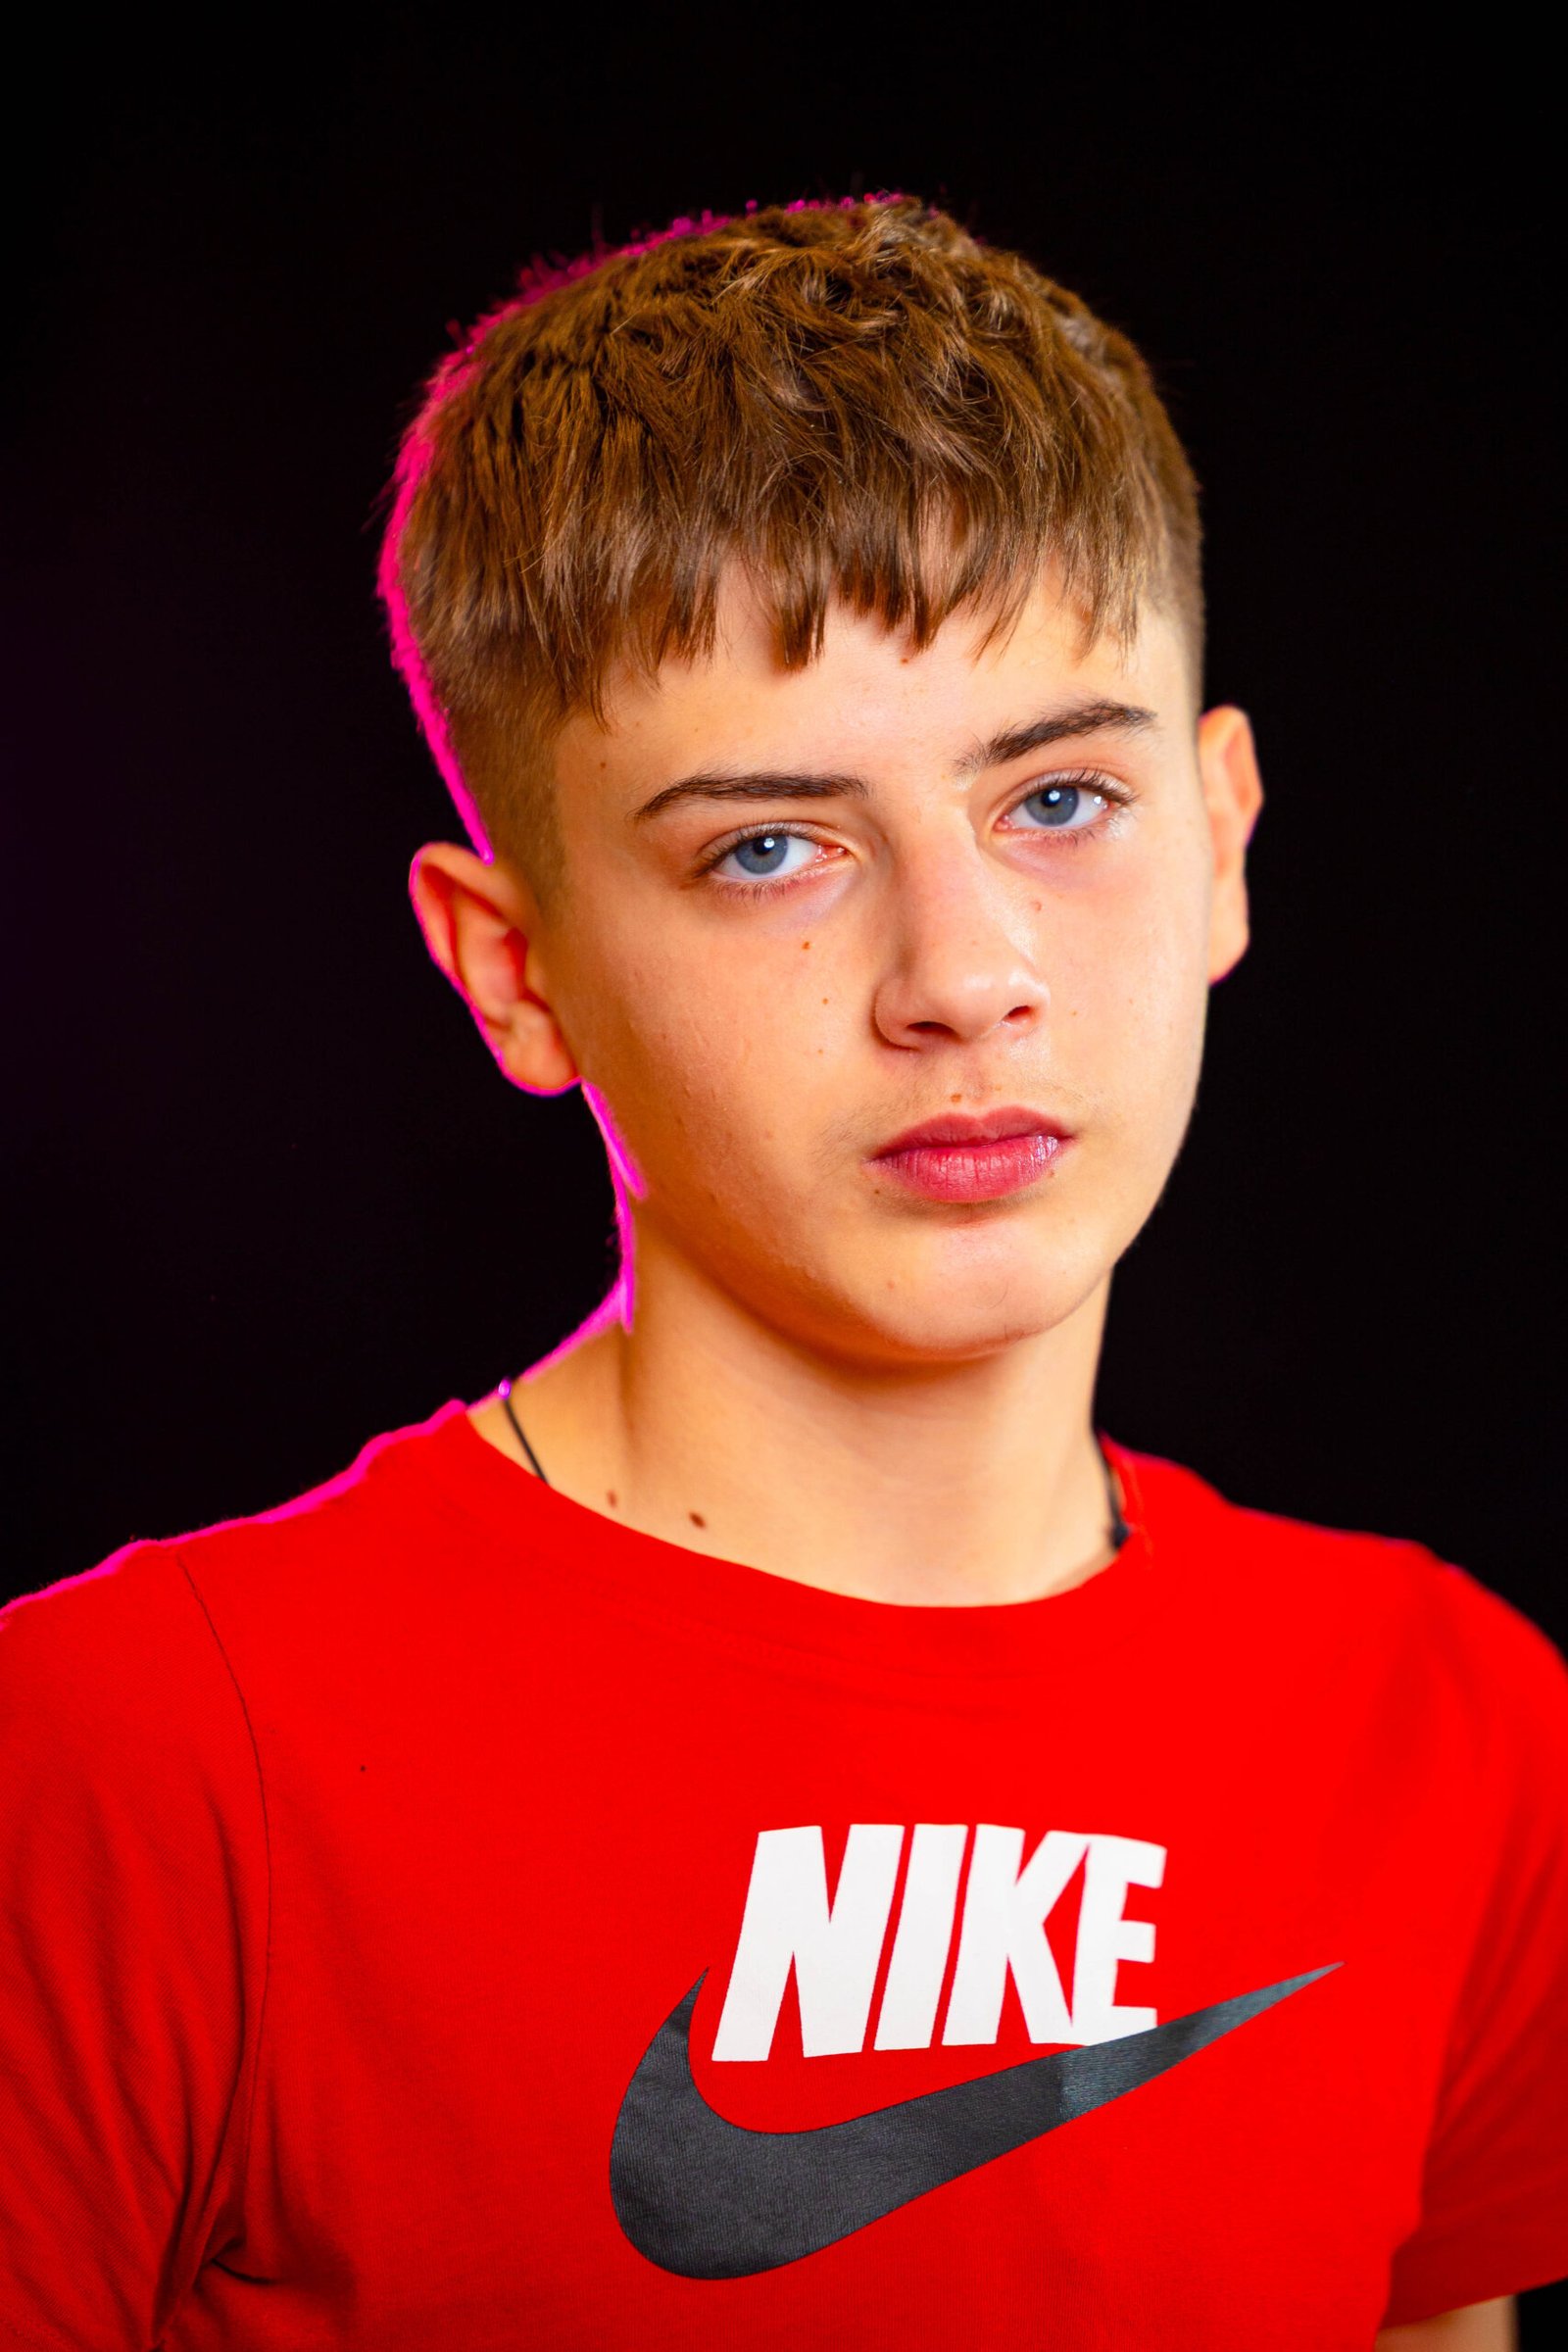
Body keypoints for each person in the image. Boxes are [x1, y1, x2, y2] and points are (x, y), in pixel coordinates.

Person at [2, 196, 1563, 2352]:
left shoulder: (1449, 1729)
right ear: (515, 971)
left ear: (1219, 835)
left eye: (1058, 801)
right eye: (769, 849)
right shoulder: (135, 1761)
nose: (962, 977)